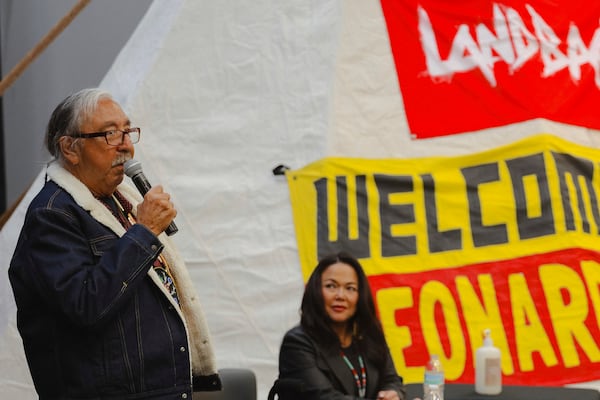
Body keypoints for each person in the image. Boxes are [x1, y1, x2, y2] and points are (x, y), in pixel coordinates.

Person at [8, 88, 221, 399]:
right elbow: (85, 305)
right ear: (70, 147)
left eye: (128, 132)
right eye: (110, 134)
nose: (126, 148)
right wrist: (145, 231)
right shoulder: (52, 215)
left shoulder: (120, 202)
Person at [274, 251, 406, 400]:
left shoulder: (369, 337)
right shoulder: (297, 343)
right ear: (316, 291)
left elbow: (392, 381)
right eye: (331, 286)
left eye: (350, 288)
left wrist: (394, 394)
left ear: (360, 296)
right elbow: (325, 397)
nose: (340, 296)